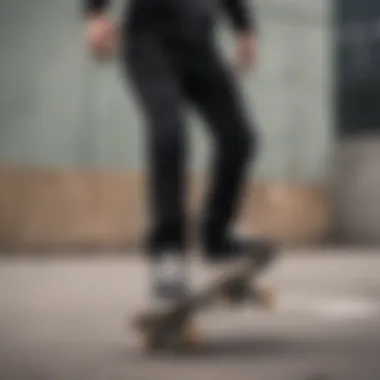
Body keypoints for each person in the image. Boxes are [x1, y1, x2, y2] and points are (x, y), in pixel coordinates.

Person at [84, 0, 267, 307]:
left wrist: (243, 28)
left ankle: (217, 235)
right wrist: (95, 13)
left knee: (239, 137)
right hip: (149, 42)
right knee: (170, 133)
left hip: (200, 46)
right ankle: (168, 253)